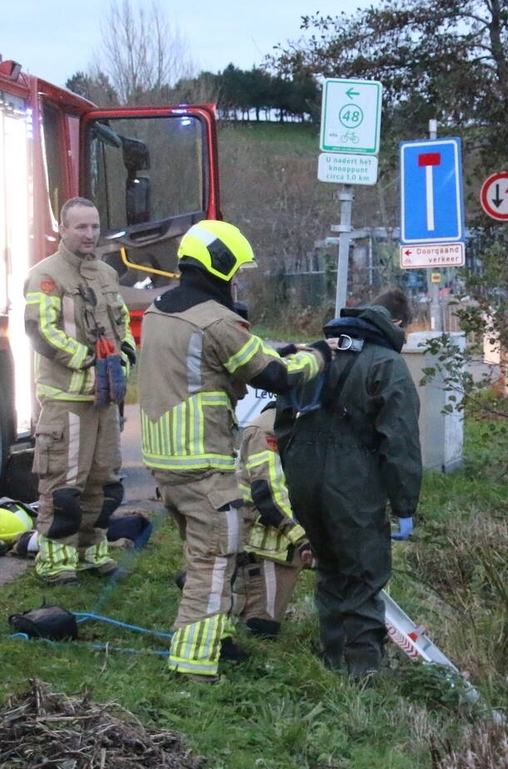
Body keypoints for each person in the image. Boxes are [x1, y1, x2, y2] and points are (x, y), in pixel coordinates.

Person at [138, 220, 326, 681]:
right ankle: (193, 665)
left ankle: (217, 638)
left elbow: (221, 359)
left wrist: (278, 349)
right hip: (203, 461)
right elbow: (274, 376)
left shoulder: (160, 311)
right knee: (215, 561)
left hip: (166, 460)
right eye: (235, 269)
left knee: (203, 552)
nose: (237, 278)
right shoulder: (217, 320)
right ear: (219, 264)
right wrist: (318, 355)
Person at [278, 289, 421, 680]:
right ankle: (363, 670)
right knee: (362, 574)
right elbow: (400, 441)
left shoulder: (318, 352)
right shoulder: (387, 364)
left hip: (305, 477)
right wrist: (404, 504)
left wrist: (295, 472)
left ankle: (333, 657)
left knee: (329, 569)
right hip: (353, 482)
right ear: (396, 324)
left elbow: (283, 418)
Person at [24, 197, 133, 586]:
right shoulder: (45, 275)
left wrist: (125, 357)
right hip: (66, 399)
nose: (90, 234)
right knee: (64, 485)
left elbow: (121, 323)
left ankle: (91, 552)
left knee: (103, 481)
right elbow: (41, 330)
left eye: (94, 226)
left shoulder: (106, 274)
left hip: (105, 399)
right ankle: (56, 561)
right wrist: (88, 361)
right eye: (81, 227)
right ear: (63, 230)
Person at [231, 406, 315, 640]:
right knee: (260, 627)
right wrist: (301, 537)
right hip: (265, 543)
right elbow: (268, 493)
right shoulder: (265, 430)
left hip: (284, 543)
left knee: (266, 625)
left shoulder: (302, 423)